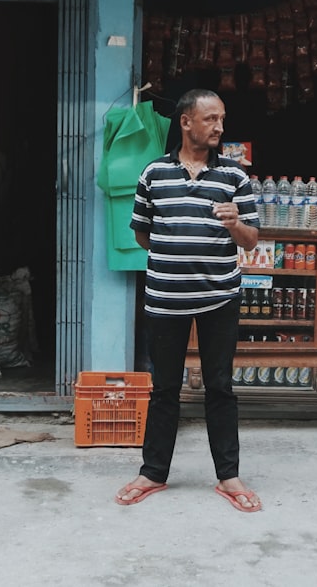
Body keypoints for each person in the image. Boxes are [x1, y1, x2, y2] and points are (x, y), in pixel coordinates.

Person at [116, 89, 263, 511]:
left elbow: (251, 241)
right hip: (165, 300)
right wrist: (175, 255)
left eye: (222, 119)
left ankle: (229, 476)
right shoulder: (153, 174)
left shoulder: (235, 177)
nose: (219, 127)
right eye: (210, 119)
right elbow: (142, 233)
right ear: (185, 122)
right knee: (164, 388)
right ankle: (153, 473)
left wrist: (236, 223)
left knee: (220, 387)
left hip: (220, 298)